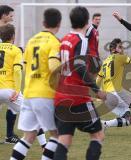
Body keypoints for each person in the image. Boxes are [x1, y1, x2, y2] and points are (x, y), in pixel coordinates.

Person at [53, 6, 106, 160]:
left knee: (64, 140)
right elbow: (79, 65)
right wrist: (97, 90)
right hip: (78, 99)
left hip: (61, 98)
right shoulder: (81, 40)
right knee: (97, 135)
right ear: (87, 22)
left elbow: (58, 65)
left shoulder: (64, 40)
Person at [10, 8, 62, 160]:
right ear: (58, 24)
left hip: (28, 93)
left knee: (29, 136)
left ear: (43, 23)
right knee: (57, 135)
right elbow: (53, 67)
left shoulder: (31, 41)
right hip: (45, 94)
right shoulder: (54, 42)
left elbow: (25, 66)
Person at [0, 24, 23, 144]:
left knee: (12, 109)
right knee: (29, 111)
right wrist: (17, 90)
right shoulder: (15, 50)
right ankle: (44, 145)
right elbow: (17, 71)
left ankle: (9, 136)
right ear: (13, 36)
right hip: (8, 90)